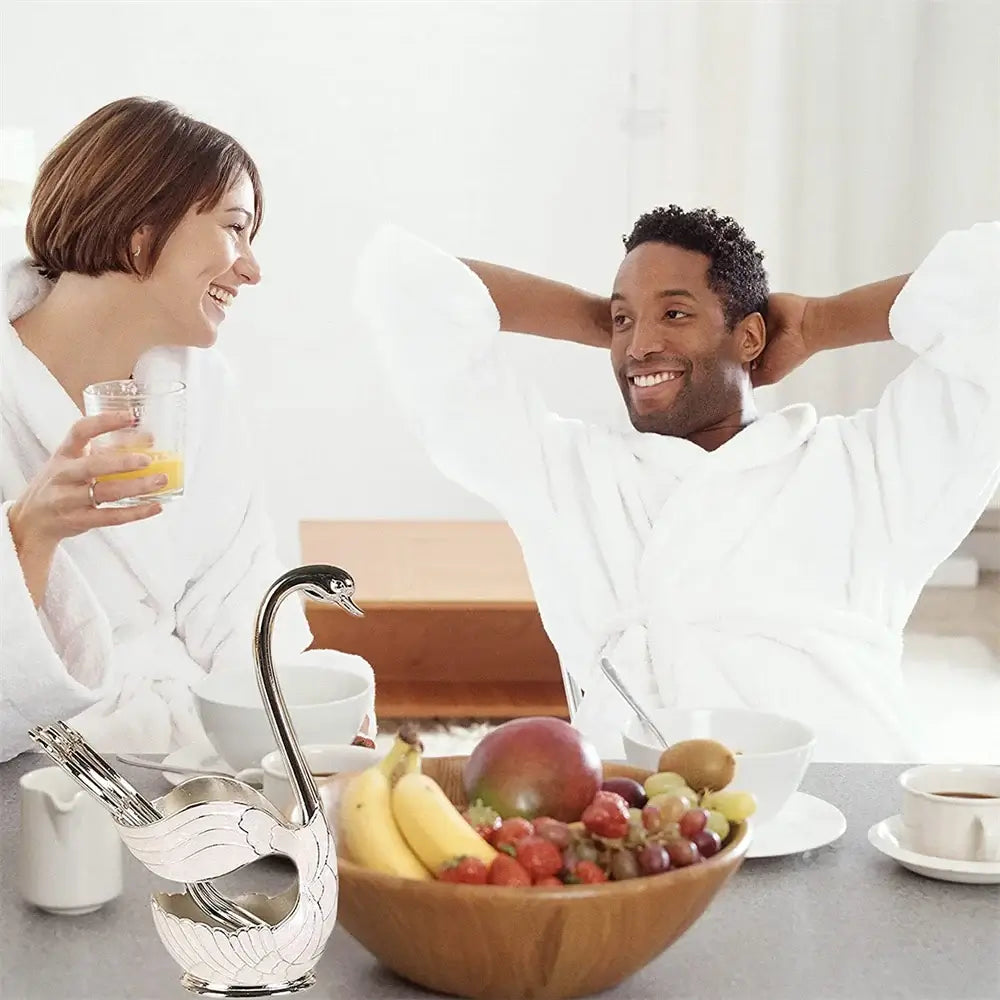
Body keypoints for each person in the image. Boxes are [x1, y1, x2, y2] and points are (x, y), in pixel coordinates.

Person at [354, 207, 1000, 762]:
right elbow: (407, 287)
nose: (639, 346)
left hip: (842, 789)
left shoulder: (866, 465)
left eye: (675, 312)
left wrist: (817, 323)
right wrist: (615, 324)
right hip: (642, 816)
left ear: (750, 336)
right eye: (623, 321)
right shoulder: (566, 471)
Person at [1, 98, 374, 761]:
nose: (252, 268)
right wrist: (28, 533)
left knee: (337, 697)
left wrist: (287, 728)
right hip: (36, 754)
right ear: (139, 232)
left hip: (177, 740)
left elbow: (233, 590)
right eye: (235, 228)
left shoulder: (198, 387)